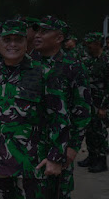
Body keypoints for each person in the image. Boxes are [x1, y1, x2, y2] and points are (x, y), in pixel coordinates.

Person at [0, 20, 70, 198]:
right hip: (0, 161)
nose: (12, 44)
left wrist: (55, 157)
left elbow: (60, 116)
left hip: (34, 165)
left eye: (18, 40)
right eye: (7, 39)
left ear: (27, 43)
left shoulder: (44, 72)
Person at [33, 16, 92, 198]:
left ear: (59, 38)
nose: (37, 35)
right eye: (37, 31)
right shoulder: (28, 64)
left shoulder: (73, 67)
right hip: (28, 146)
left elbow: (82, 112)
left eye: (44, 32)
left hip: (59, 147)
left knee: (57, 192)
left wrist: (73, 148)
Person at [77, 32, 109, 173]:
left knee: (100, 133)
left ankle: (101, 161)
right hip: (89, 103)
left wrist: (104, 107)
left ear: (98, 43)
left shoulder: (106, 60)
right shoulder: (88, 60)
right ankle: (92, 156)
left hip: (101, 103)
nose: (87, 46)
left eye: (90, 43)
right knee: (90, 131)